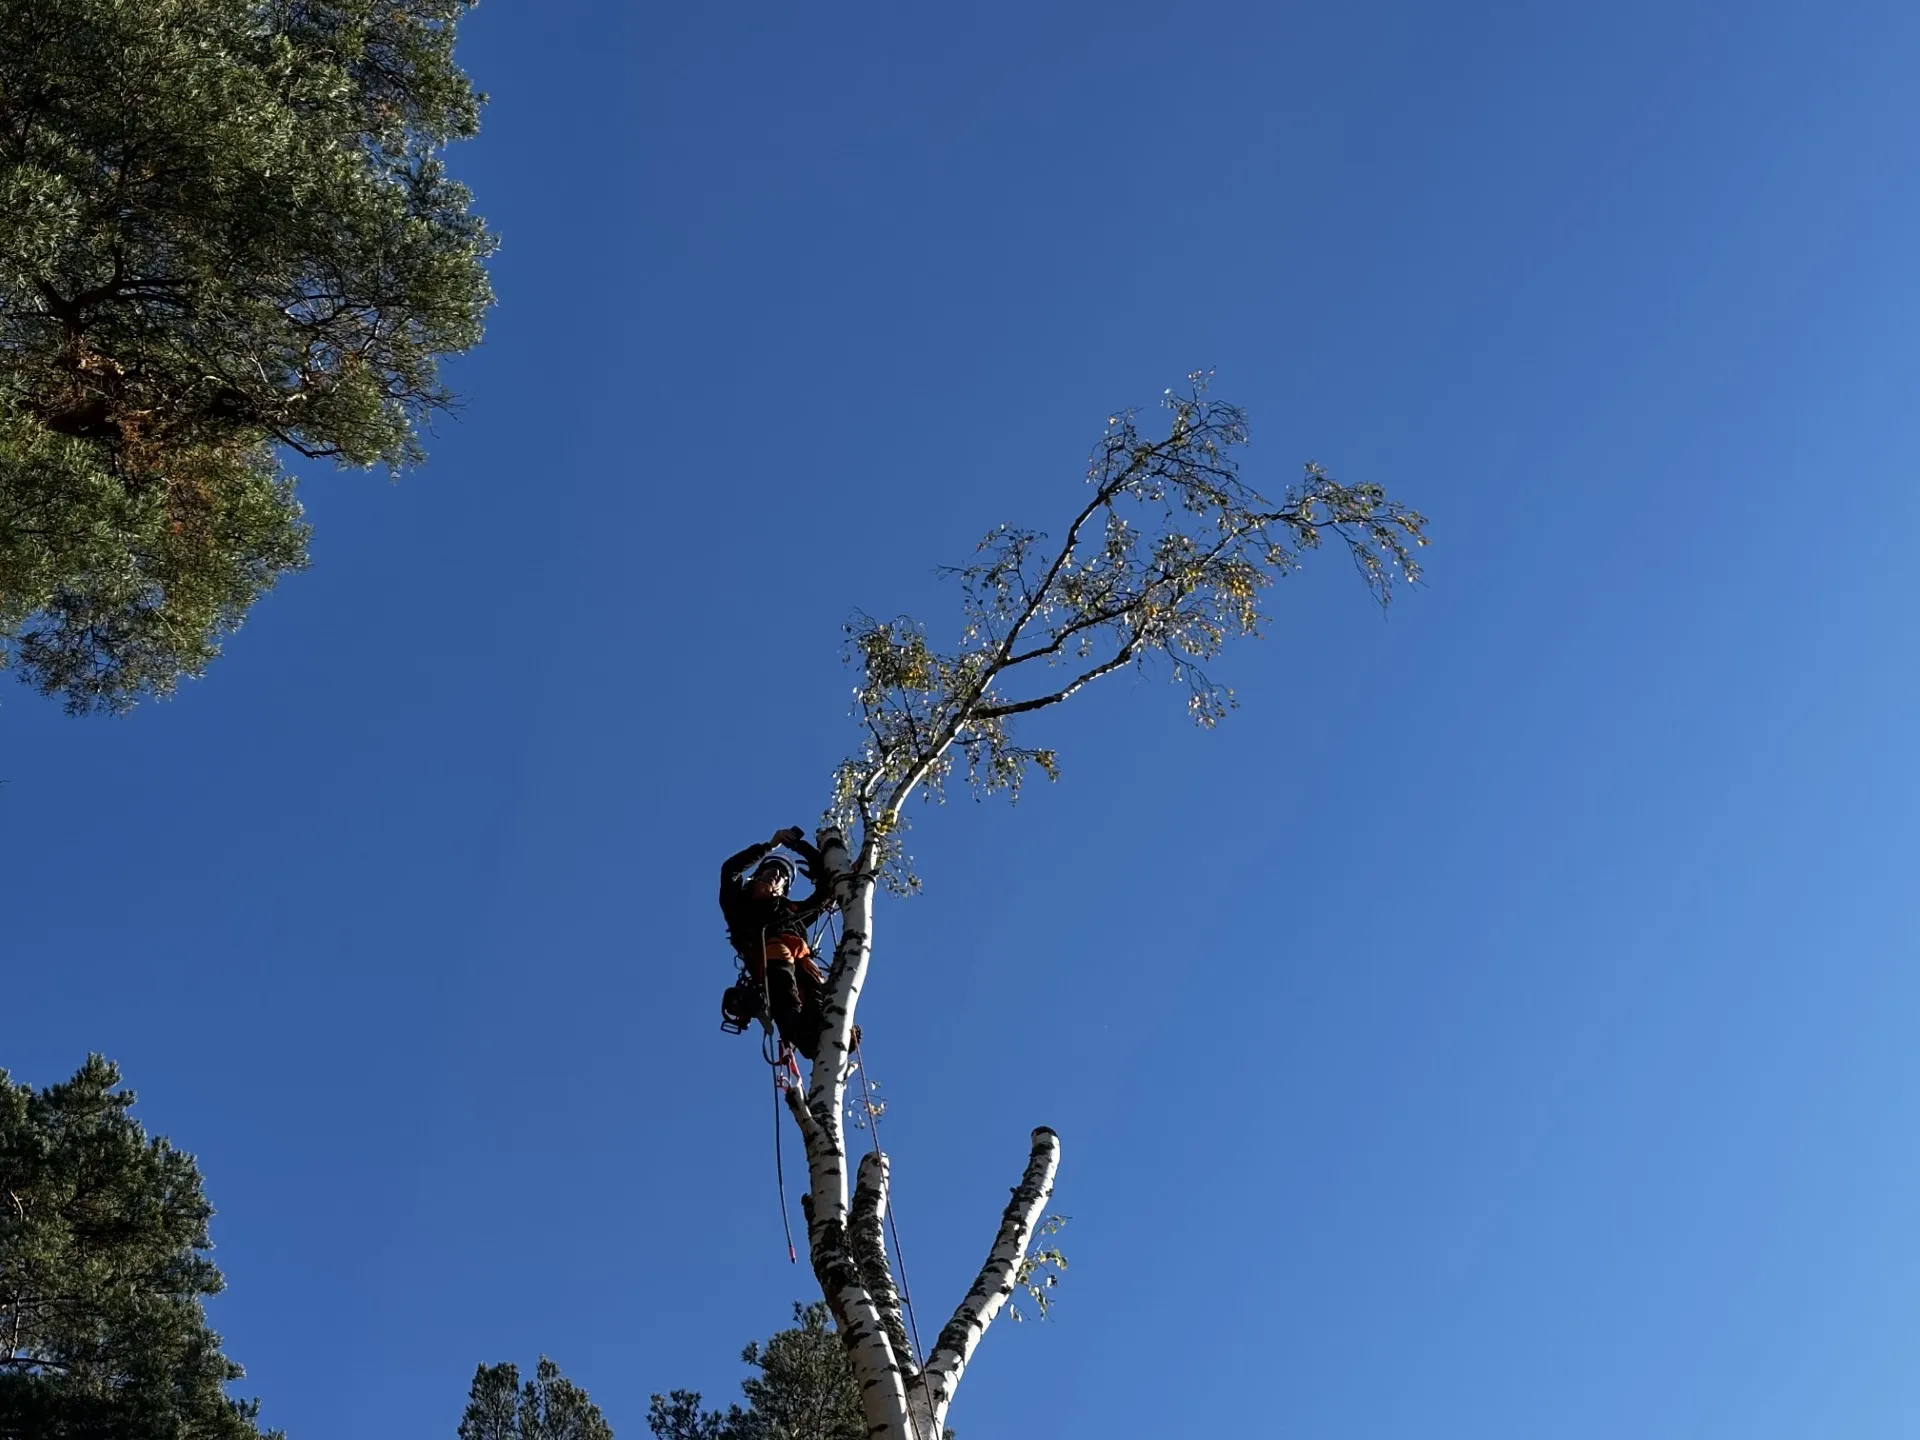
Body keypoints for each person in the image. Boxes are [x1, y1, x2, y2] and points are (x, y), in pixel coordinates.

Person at [718, 826, 837, 1061]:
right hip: (767, 954)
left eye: (783, 876)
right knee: (783, 978)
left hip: (800, 959)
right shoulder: (739, 904)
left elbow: (826, 890)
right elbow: (730, 870)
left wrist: (800, 847)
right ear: (757, 874)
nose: (776, 875)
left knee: (815, 986)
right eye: (771, 870)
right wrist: (769, 846)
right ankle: (795, 1025)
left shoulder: (793, 911)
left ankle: (832, 1033)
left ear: (785, 888)